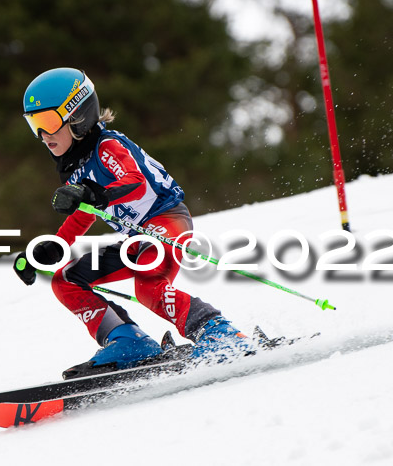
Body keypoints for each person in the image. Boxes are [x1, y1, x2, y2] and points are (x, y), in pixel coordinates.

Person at [14, 67, 254, 377]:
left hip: (166, 221)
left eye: (48, 122)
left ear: (78, 116)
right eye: (35, 124)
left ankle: (219, 334)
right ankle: (129, 341)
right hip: (137, 240)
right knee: (66, 280)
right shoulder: (77, 167)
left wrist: (91, 192)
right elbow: (85, 214)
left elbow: (136, 182)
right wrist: (50, 249)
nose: (43, 135)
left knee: (149, 286)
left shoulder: (107, 146)